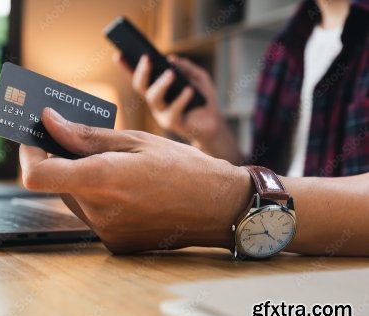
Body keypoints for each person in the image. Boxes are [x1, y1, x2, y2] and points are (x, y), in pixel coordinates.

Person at [19, 0, 369, 256]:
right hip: (275, 262)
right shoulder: (285, 48)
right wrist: (209, 132)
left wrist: (230, 206)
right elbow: (276, 179)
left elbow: (260, 193)